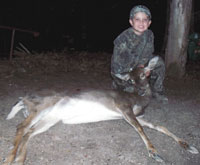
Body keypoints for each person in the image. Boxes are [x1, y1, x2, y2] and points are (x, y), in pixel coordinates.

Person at [111, 5, 168, 103]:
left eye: (145, 20)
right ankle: (119, 86)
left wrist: (144, 66)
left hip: (138, 68)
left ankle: (157, 91)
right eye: (137, 19)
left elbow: (148, 52)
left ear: (149, 23)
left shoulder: (149, 34)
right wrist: (139, 72)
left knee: (159, 62)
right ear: (131, 22)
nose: (141, 23)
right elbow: (118, 67)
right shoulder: (122, 39)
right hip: (123, 72)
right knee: (131, 95)